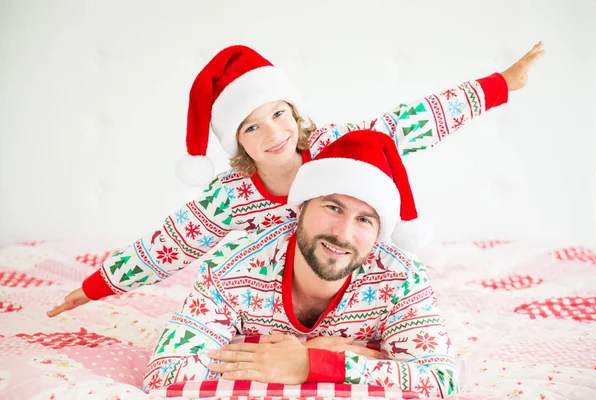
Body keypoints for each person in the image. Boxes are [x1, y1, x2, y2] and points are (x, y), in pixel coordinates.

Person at [46, 42, 545, 318]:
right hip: (284, 293)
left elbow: (413, 123)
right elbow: (168, 245)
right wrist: (93, 287)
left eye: (280, 113)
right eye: (252, 126)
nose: (274, 133)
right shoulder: (232, 196)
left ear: (294, 111)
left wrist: (500, 84)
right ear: (237, 141)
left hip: (353, 275)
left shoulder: (335, 144)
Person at [143, 130, 458, 398]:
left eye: (364, 219)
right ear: (302, 205)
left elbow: (440, 383)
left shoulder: (401, 277)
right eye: (333, 207)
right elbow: (164, 375)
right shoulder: (230, 269)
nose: (342, 234)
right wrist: (293, 358)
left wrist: (312, 362)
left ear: (379, 233)